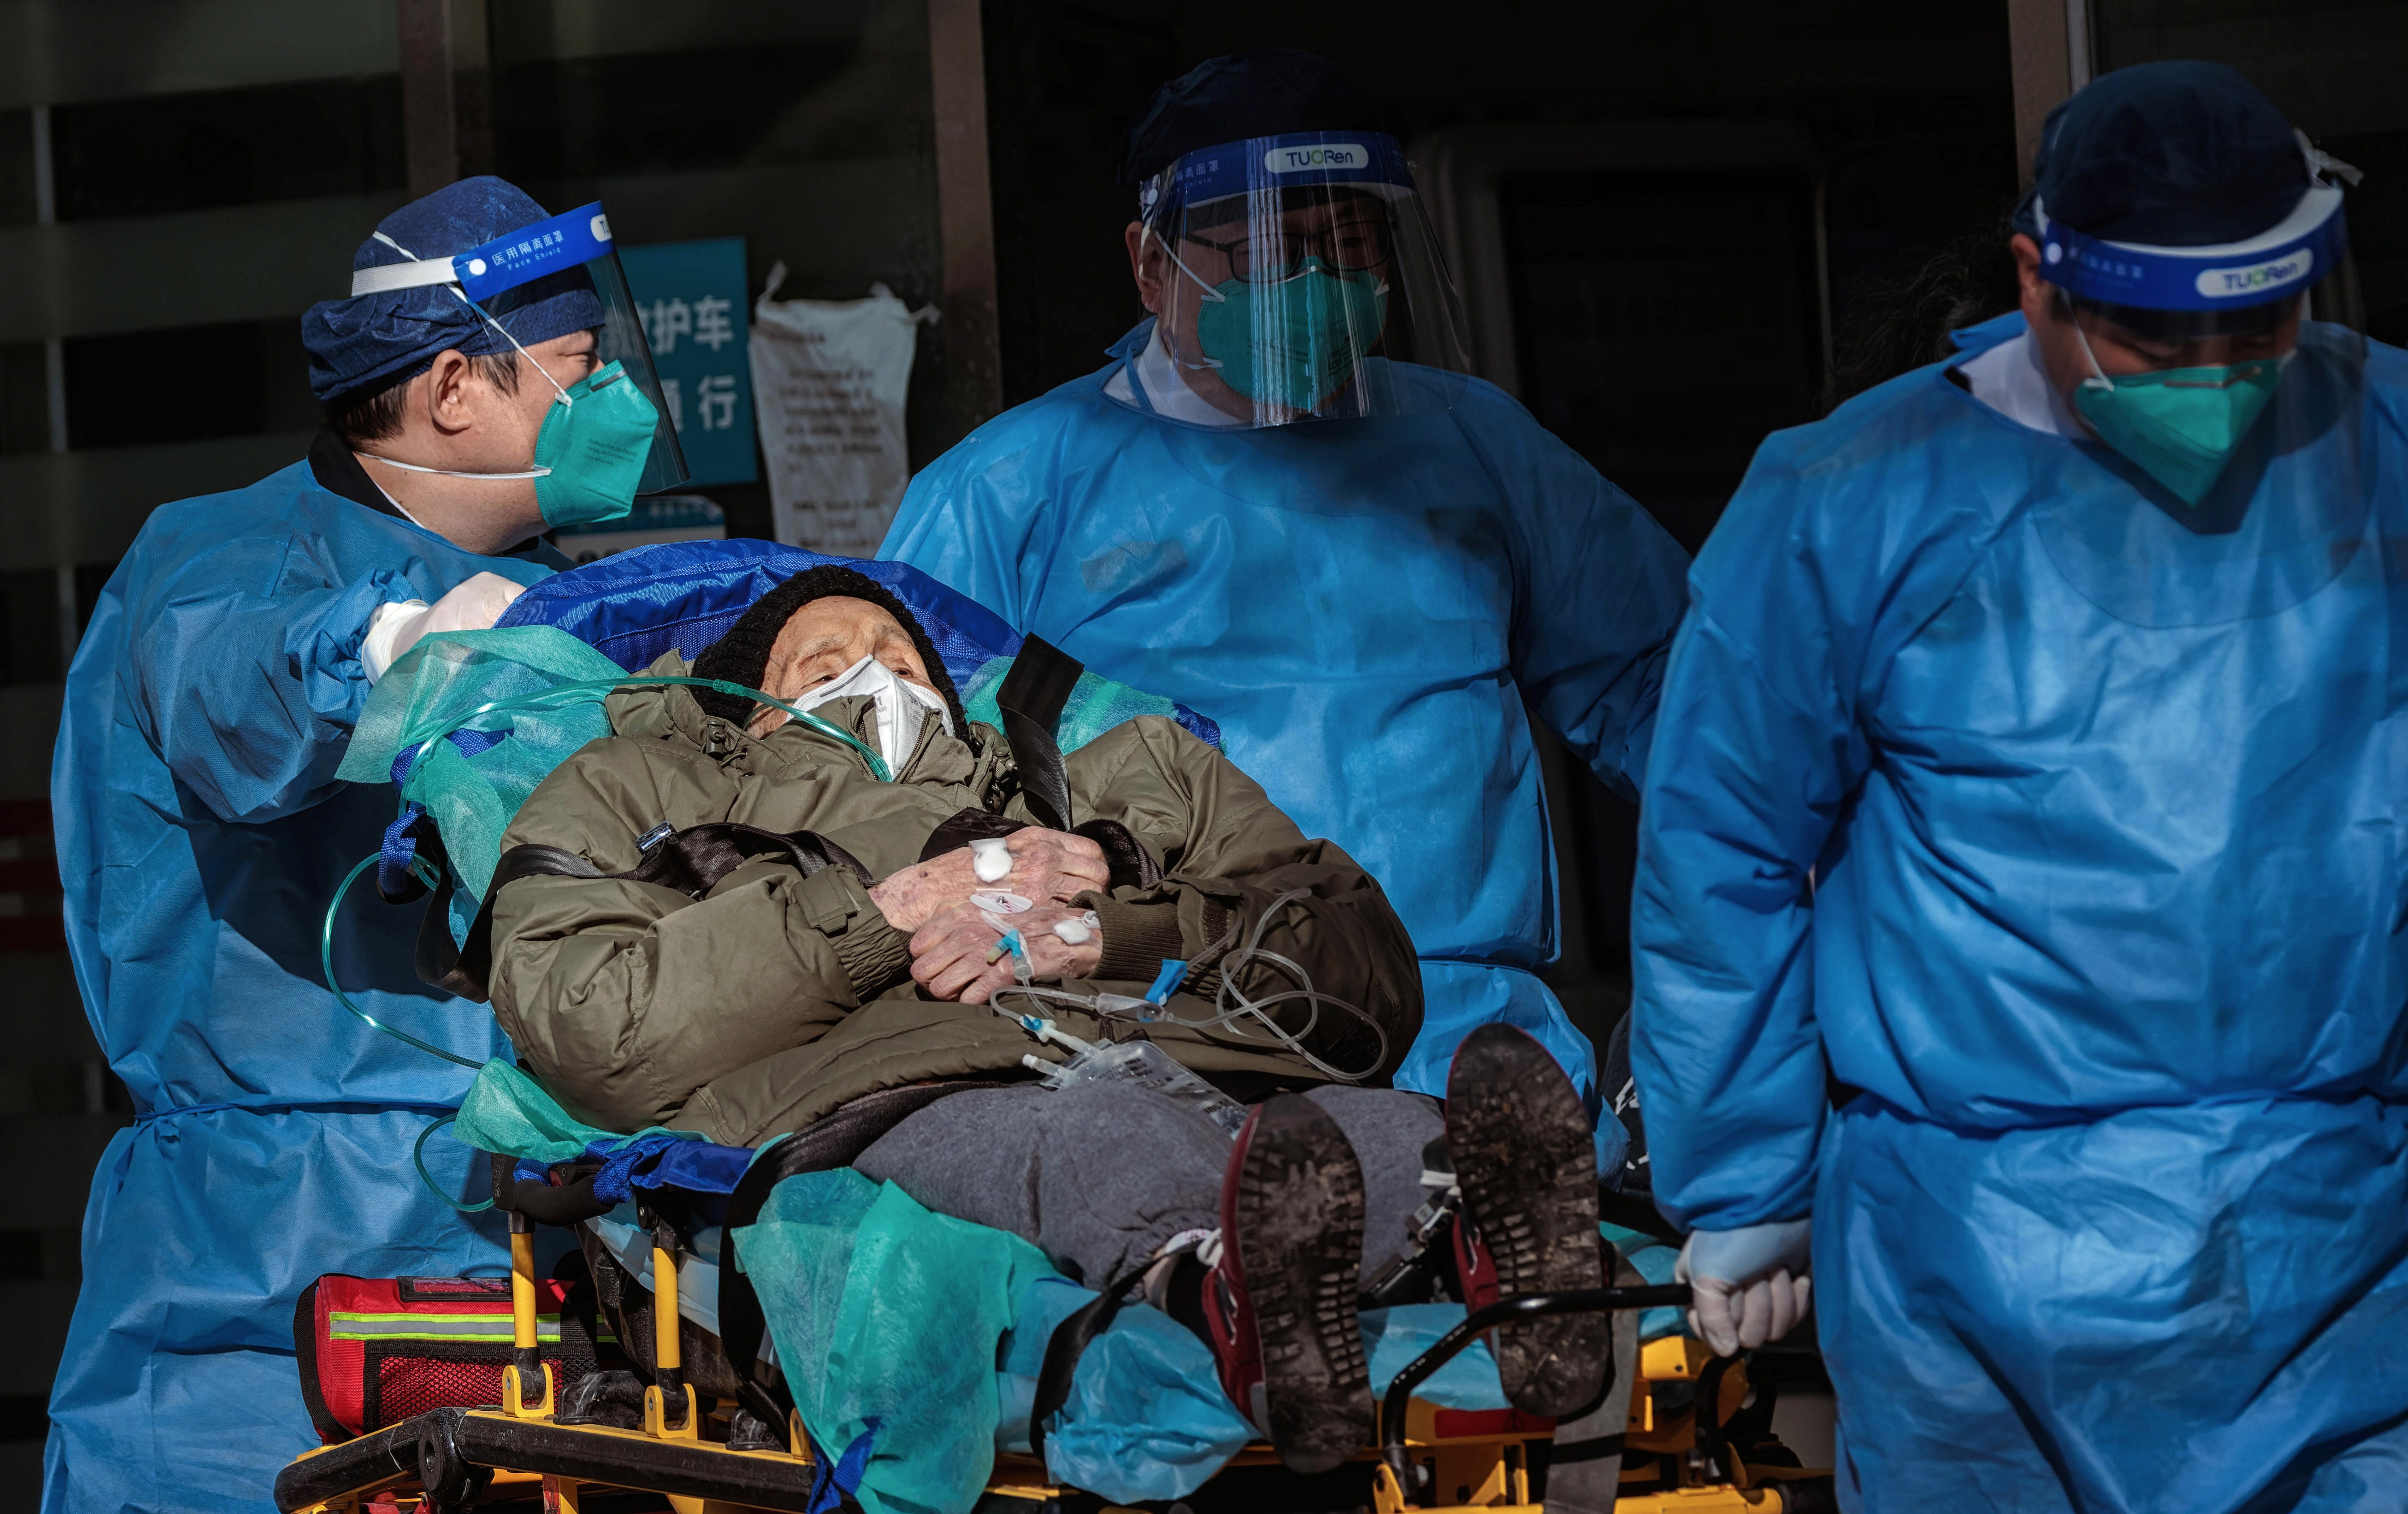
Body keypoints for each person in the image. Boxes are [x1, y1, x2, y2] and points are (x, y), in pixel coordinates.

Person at [1631, 62, 2406, 1510]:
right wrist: (1747, 1184)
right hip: (1977, 1261)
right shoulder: (1852, 499)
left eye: (2260, 326)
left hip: (2339, 1241)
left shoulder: (2387, 448)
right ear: (2035, 279)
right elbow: (1720, 852)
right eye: (2157, 334)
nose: (2217, 376)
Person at [479, 566, 1610, 1468]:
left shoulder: (1106, 783)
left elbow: (1362, 968)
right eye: (822, 663)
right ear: (748, 712)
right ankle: (1225, 1293)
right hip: (892, 1086)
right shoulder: (647, 793)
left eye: (900, 658)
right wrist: (883, 910)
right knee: (1094, 1130)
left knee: (1367, 1124)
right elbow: (595, 1029)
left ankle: (1488, 1244)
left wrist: (1116, 930)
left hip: (1196, 1051)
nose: (875, 678)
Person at [881, 49, 1690, 1123]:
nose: (1313, 286)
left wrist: (1804, 829)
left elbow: (1657, 682)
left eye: (1347, 245)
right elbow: (901, 775)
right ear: (1150, 263)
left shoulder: (1473, 443)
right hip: (1174, 1027)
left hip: (1468, 1032)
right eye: (1265, 252)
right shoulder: (1015, 489)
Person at [46, 175, 681, 1513]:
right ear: (456, 386)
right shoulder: (227, 559)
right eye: (579, 369)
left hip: (536, 1212)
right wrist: (398, 651)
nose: (610, 398)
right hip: (271, 1239)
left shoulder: (563, 605)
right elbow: (242, 707)